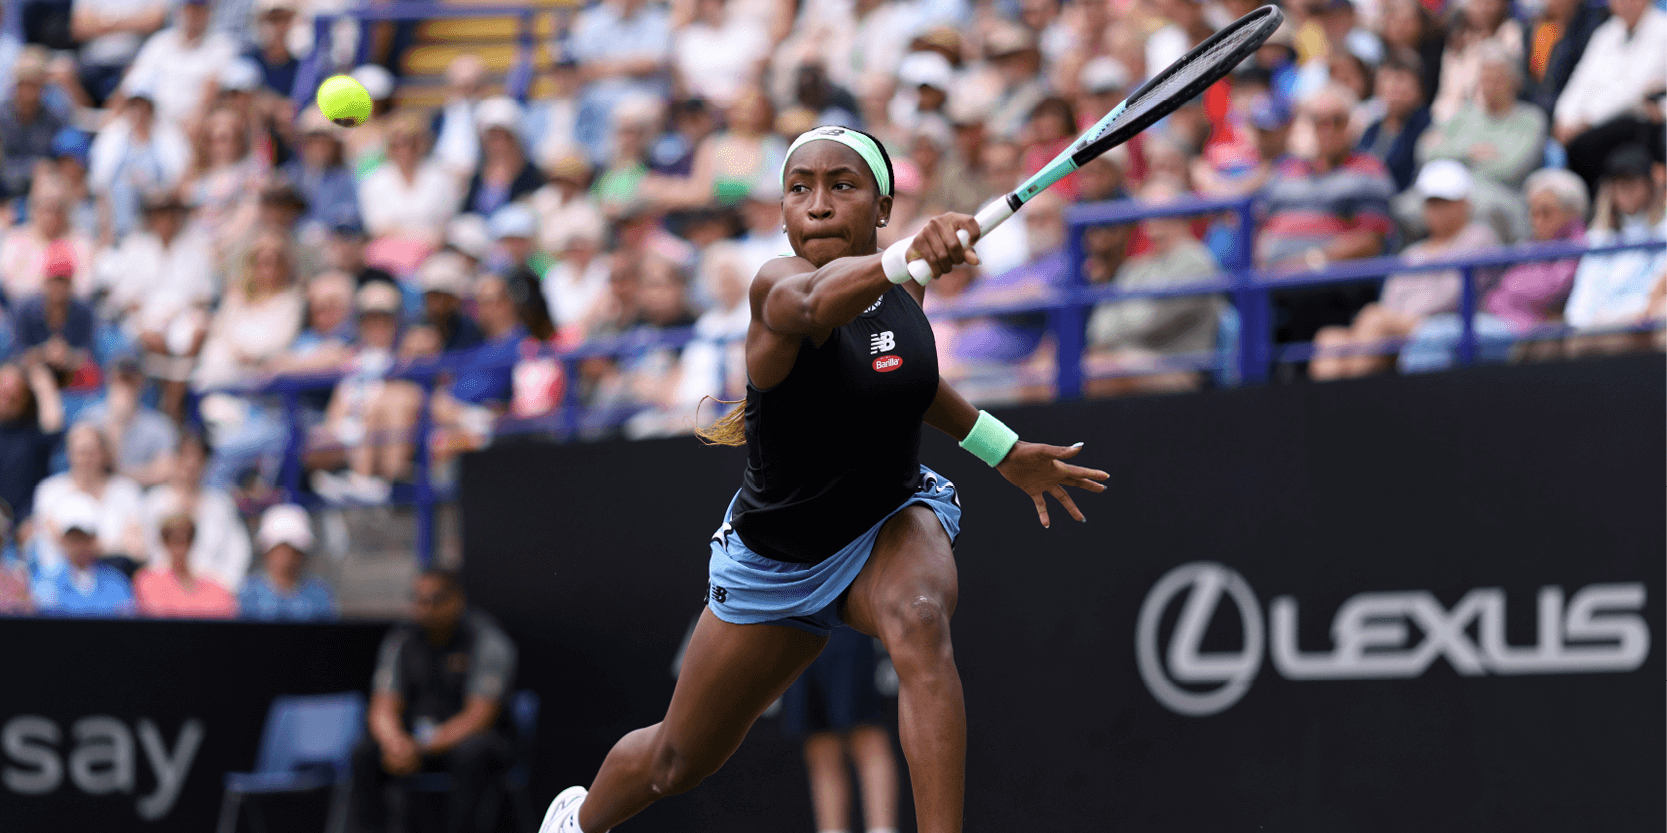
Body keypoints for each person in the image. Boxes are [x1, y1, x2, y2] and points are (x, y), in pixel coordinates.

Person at [538, 125, 1108, 833]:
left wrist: (1001, 448)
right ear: (782, 212)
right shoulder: (776, 286)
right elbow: (814, 306)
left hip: (885, 519)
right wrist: (905, 255)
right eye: (799, 188)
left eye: (842, 185)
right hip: (775, 562)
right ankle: (578, 819)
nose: (817, 204)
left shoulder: (904, 287)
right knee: (675, 762)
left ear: (881, 207)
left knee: (919, 617)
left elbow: (907, 378)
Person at [351, 569, 518, 833]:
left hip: (467, 741)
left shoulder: (487, 640)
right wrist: (395, 742)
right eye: (418, 600)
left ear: (457, 600)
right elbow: (382, 706)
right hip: (412, 742)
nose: (425, 609)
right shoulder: (401, 639)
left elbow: (478, 717)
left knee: (473, 753)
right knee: (365, 753)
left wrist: (421, 746)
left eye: (434, 600)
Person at [1311, 159, 1501, 380]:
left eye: (1445, 202)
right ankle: (1333, 400)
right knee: (1330, 338)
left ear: (1465, 203)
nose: (1437, 210)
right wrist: (1392, 318)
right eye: (1431, 202)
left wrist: (1396, 317)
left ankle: (1356, 397)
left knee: (1375, 320)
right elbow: (1391, 298)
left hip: (1449, 322)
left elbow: (1453, 296)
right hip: (1400, 324)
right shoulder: (1413, 252)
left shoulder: (1479, 237)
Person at [1398, 167, 1589, 372]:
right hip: (1494, 320)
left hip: (1519, 328)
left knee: (1434, 335)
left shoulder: (1578, 246)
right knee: (1430, 332)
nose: (1536, 221)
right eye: (1533, 212)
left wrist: (1506, 291)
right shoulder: (1533, 246)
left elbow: (1542, 291)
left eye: (1546, 212)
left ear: (1572, 213)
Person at [782, 627, 899, 833]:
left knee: (866, 734)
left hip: (847, 627)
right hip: (797, 631)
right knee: (820, 743)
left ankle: (882, 828)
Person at [1552, 0, 1667, 194]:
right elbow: (1581, 79)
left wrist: (1588, 121)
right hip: (1589, 123)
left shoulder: (1663, 31)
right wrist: (1564, 118)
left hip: (1634, 120)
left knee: (1583, 148)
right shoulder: (1605, 33)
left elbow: (1635, 90)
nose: (1624, 4)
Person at [1562, 144, 1667, 354]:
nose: (1625, 191)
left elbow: (1657, 291)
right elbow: (1584, 296)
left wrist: (1639, 314)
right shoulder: (1598, 238)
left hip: (1645, 321)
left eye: (1631, 183)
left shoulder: (1663, 230)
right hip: (1602, 325)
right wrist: (1583, 324)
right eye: (1618, 184)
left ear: (1649, 185)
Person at [140, 430, 252, 592]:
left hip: (213, 590)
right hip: (164, 590)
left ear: (206, 463)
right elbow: (149, 550)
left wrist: (221, 588)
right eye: (185, 456)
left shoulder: (221, 504)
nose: (191, 463)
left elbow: (238, 552)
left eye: (197, 457)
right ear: (175, 459)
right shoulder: (155, 502)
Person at [29, 423, 146, 575]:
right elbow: (51, 541)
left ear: (104, 453)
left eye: (92, 452)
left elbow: (137, 548)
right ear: (69, 454)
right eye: (81, 452)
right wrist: (112, 546)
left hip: (117, 575)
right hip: (61, 578)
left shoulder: (127, 490)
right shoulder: (49, 491)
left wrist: (80, 544)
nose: (86, 458)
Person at [31, 492, 136, 616]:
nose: (79, 546)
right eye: (74, 539)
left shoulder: (116, 582)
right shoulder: (46, 582)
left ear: (95, 540)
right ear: (63, 540)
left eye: (85, 539)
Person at [238, 503, 337, 620]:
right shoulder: (247, 593)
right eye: (280, 548)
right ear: (267, 551)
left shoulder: (319, 594)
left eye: (294, 550)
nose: (287, 556)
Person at [133, 512, 237, 617]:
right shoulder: (148, 582)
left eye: (186, 539)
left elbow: (227, 610)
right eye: (173, 540)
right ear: (164, 542)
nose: (180, 548)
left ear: (192, 541)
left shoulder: (215, 587)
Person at [0, 363, 63, 523]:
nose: (6, 399)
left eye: (13, 396)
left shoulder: (33, 433)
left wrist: (42, 382)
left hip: (26, 518)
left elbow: (53, 427)